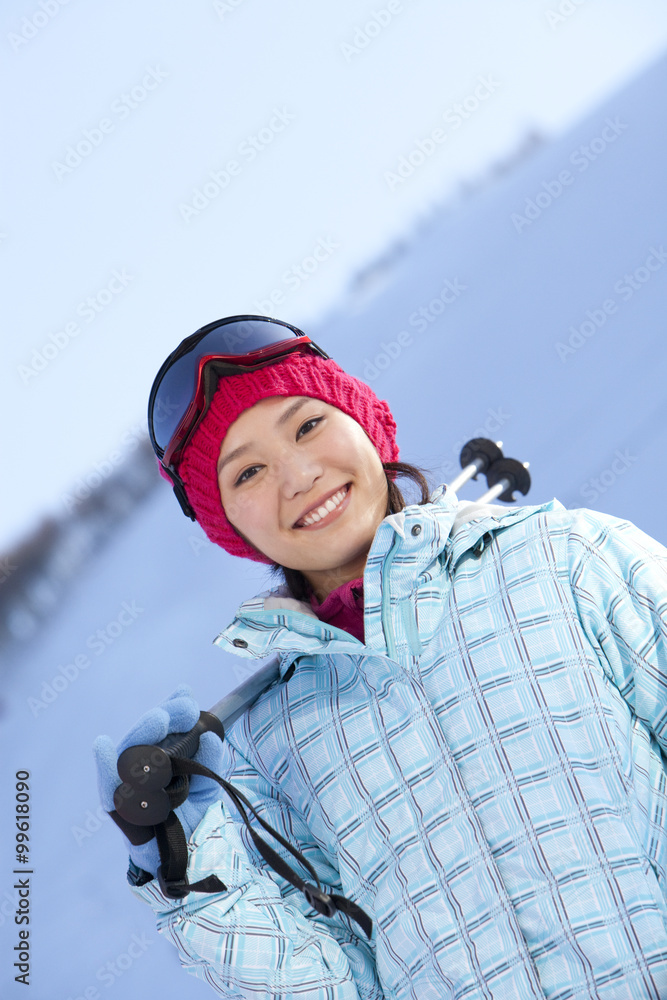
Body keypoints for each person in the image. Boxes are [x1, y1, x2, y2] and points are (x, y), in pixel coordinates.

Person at [95, 315, 667, 999]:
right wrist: (186, 871)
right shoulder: (269, 743)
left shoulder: (566, 560)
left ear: (360, 416)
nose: (298, 475)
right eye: (247, 471)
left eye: (306, 425)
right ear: (227, 525)